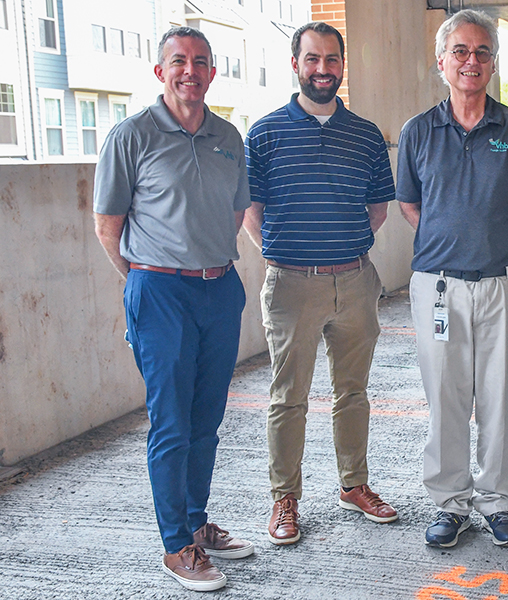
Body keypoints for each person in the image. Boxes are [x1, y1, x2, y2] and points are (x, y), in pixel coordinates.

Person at [93, 26, 253, 592]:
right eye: (179, 61)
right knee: (171, 421)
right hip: (159, 292)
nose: (191, 70)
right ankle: (175, 546)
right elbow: (107, 226)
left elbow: (234, 214)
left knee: (206, 418)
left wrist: (204, 264)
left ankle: (194, 522)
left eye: (201, 62)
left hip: (219, 288)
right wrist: (145, 281)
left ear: (213, 72)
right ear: (160, 72)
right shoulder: (131, 136)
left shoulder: (229, 136)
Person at [395, 9, 508, 549]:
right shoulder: (418, 131)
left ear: (493, 63)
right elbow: (411, 205)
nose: (471, 61)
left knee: (498, 398)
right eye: (460, 51)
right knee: (446, 397)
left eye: (482, 52)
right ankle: (449, 504)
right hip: (438, 288)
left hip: (504, 284)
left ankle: (498, 503)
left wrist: (494, 237)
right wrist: (453, 243)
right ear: (442, 61)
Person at [243, 22, 397, 546]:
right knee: (289, 397)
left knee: (352, 393)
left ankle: (354, 485)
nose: (323, 69)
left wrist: (341, 249)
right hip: (291, 286)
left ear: (342, 65)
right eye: (313, 59)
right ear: (296, 64)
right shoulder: (264, 133)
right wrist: (287, 253)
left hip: (355, 280)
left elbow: (378, 208)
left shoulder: (366, 134)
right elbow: (251, 209)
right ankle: (285, 499)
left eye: (332, 59)